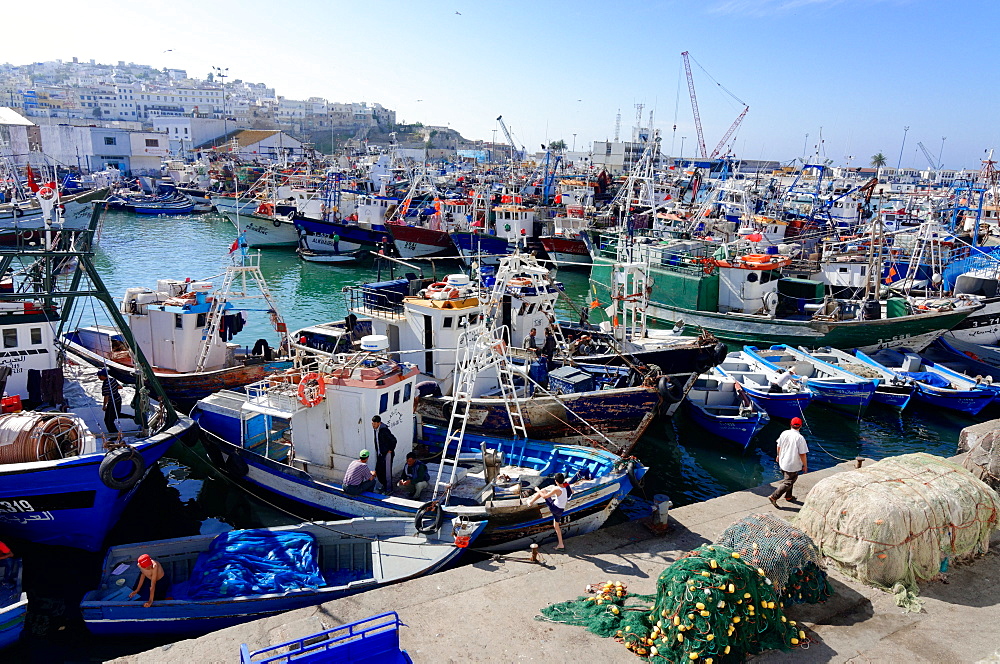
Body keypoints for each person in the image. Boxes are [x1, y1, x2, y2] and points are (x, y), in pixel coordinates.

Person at [769, 417, 809, 508]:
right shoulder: (800, 438)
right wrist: (805, 465)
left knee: (788, 480)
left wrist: (778, 456)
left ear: (790, 424)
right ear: (800, 426)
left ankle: (788, 496)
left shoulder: (784, 433)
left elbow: (778, 445)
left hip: (783, 462)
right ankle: (774, 497)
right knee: (788, 482)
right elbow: (802, 454)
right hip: (792, 464)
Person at [527, 473, 571, 549]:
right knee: (556, 526)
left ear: (556, 481)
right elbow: (571, 492)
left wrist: (537, 489)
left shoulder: (556, 489)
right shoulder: (566, 487)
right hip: (560, 510)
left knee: (543, 490)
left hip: (554, 508)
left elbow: (544, 496)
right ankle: (561, 544)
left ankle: (530, 502)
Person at [372, 415, 397, 494]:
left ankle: (389, 489)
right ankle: (384, 485)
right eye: (372, 424)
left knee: (387, 472)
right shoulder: (376, 430)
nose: (373, 426)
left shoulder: (384, 430)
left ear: (379, 423)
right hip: (380, 454)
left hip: (387, 454)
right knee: (379, 470)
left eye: (374, 424)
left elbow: (393, 440)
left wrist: (390, 450)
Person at [98, 368, 122, 434]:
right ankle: (132, 417)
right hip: (118, 400)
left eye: (99, 375)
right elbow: (120, 387)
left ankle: (115, 434)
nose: (98, 377)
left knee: (108, 420)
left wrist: (104, 406)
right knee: (115, 415)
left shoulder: (105, 385)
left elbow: (106, 397)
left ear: (103, 376)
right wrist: (113, 387)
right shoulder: (113, 380)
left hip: (112, 402)